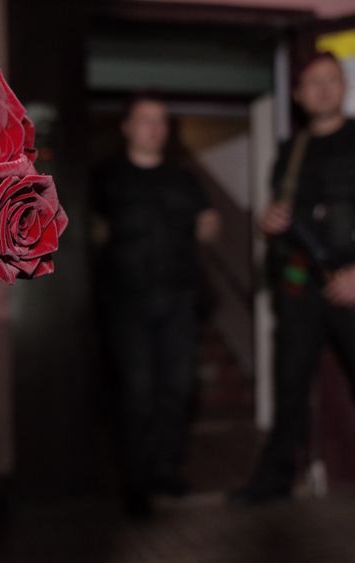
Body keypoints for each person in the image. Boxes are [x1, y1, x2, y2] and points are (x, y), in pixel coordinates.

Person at [231, 52, 355, 540]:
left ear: (343, 88)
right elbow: (279, 214)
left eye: (331, 81)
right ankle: (274, 481)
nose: (322, 89)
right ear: (297, 95)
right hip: (301, 284)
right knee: (289, 385)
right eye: (312, 82)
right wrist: (267, 223)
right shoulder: (289, 149)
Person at [91, 93, 220, 519]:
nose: (155, 128)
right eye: (147, 120)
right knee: (136, 393)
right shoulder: (105, 177)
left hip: (180, 300)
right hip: (126, 302)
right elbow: (85, 234)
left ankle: (166, 470)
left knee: (178, 389)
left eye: (162, 121)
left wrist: (209, 226)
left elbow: (207, 223)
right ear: (127, 126)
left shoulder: (184, 177)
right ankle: (136, 483)